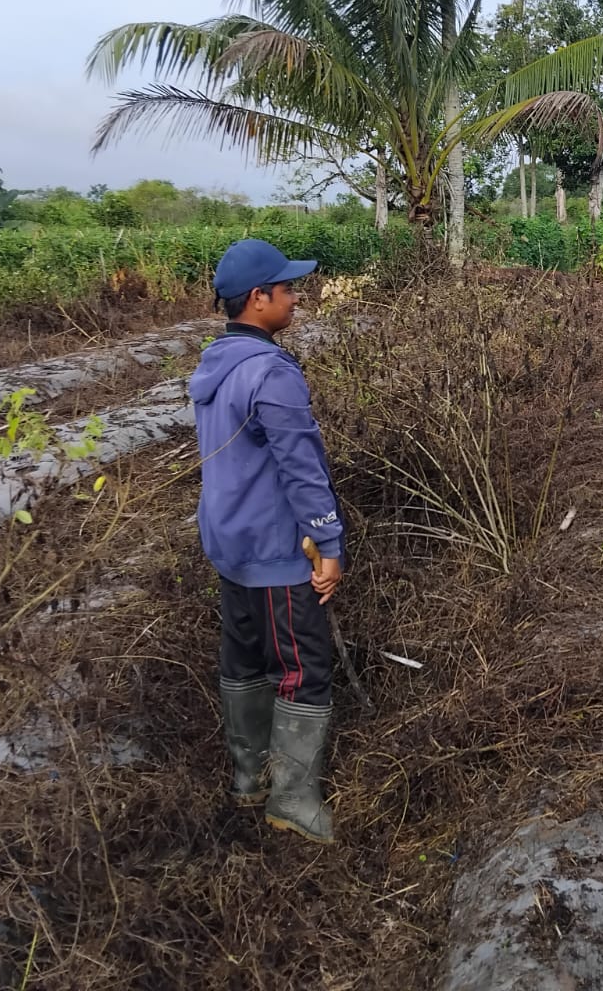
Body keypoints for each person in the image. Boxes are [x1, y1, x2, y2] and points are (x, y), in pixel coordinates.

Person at [189, 238, 347, 843]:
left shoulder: (216, 362)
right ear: (259, 298)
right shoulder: (271, 372)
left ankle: (247, 779)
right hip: (276, 550)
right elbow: (301, 469)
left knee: (244, 658)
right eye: (287, 289)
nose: (296, 297)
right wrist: (328, 544)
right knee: (301, 669)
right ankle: (293, 800)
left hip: (229, 542)